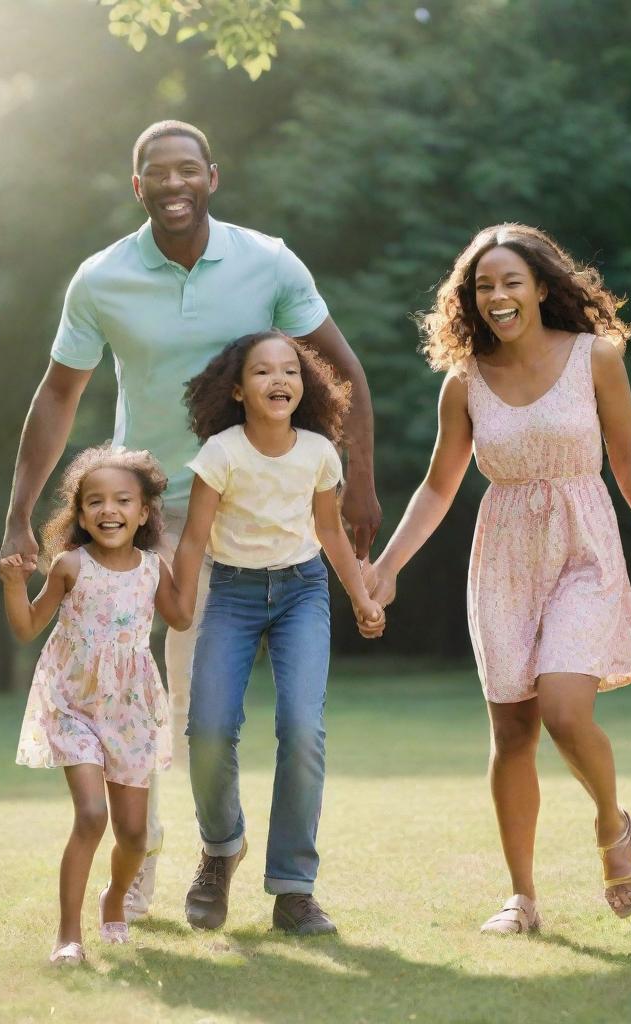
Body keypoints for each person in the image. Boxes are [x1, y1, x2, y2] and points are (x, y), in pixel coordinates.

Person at [0, 120, 381, 919]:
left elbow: (342, 370)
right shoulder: (101, 279)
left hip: (260, 505)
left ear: (212, 176)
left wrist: (359, 484)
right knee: (136, 691)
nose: (172, 185)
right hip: (154, 512)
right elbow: (59, 394)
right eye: (155, 174)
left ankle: (238, 861)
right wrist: (19, 514)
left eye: (186, 170)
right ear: (136, 186)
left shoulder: (267, 260)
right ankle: (144, 856)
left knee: (228, 711)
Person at [367, 224, 631, 934]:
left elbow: (626, 454)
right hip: (504, 555)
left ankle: (610, 823)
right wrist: (386, 567)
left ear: (542, 286)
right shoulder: (464, 384)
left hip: (584, 547)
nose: (497, 296)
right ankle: (523, 900)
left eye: (510, 281)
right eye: (483, 286)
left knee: (567, 712)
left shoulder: (595, 358)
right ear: (468, 301)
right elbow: (439, 488)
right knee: (512, 732)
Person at [171, 330, 385, 937]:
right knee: (207, 728)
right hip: (233, 594)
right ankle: (220, 849)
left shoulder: (318, 451)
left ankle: (294, 889)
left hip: (301, 592)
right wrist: (182, 601)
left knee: (301, 726)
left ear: (304, 383)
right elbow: (192, 537)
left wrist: (362, 597)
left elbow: (332, 533)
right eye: (262, 372)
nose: (278, 380)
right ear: (238, 390)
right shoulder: (221, 453)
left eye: (289, 370)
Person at [0, 445, 191, 964]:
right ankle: (68, 935)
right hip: (72, 702)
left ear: (144, 512)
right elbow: (26, 627)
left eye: (123, 500)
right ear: (80, 514)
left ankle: (113, 898)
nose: (110, 510)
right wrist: (14, 584)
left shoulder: (154, 570)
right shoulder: (70, 565)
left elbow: (181, 617)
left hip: (130, 709)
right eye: (96, 502)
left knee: (133, 834)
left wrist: (191, 549)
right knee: (90, 815)